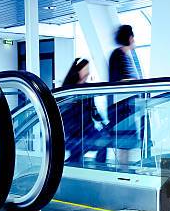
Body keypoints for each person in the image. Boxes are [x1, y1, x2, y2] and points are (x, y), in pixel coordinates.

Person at [60, 58, 106, 164]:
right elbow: (65, 114)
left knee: (104, 142)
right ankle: (72, 163)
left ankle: (100, 168)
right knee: (77, 153)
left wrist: (103, 122)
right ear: (78, 70)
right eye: (85, 68)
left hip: (87, 128)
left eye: (88, 68)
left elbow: (92, 109)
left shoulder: (87, 88)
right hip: (73, 132)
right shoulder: (68, 89)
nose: (88, 71)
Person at [108, 25, 140, 169]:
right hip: (121, 107)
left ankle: (124, 169)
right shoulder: (118, 55)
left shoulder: (126, 55)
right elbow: (117, 80)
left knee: (127, 141)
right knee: (123, 141)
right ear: (129, 38)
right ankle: (122, 170)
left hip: (127, 106)